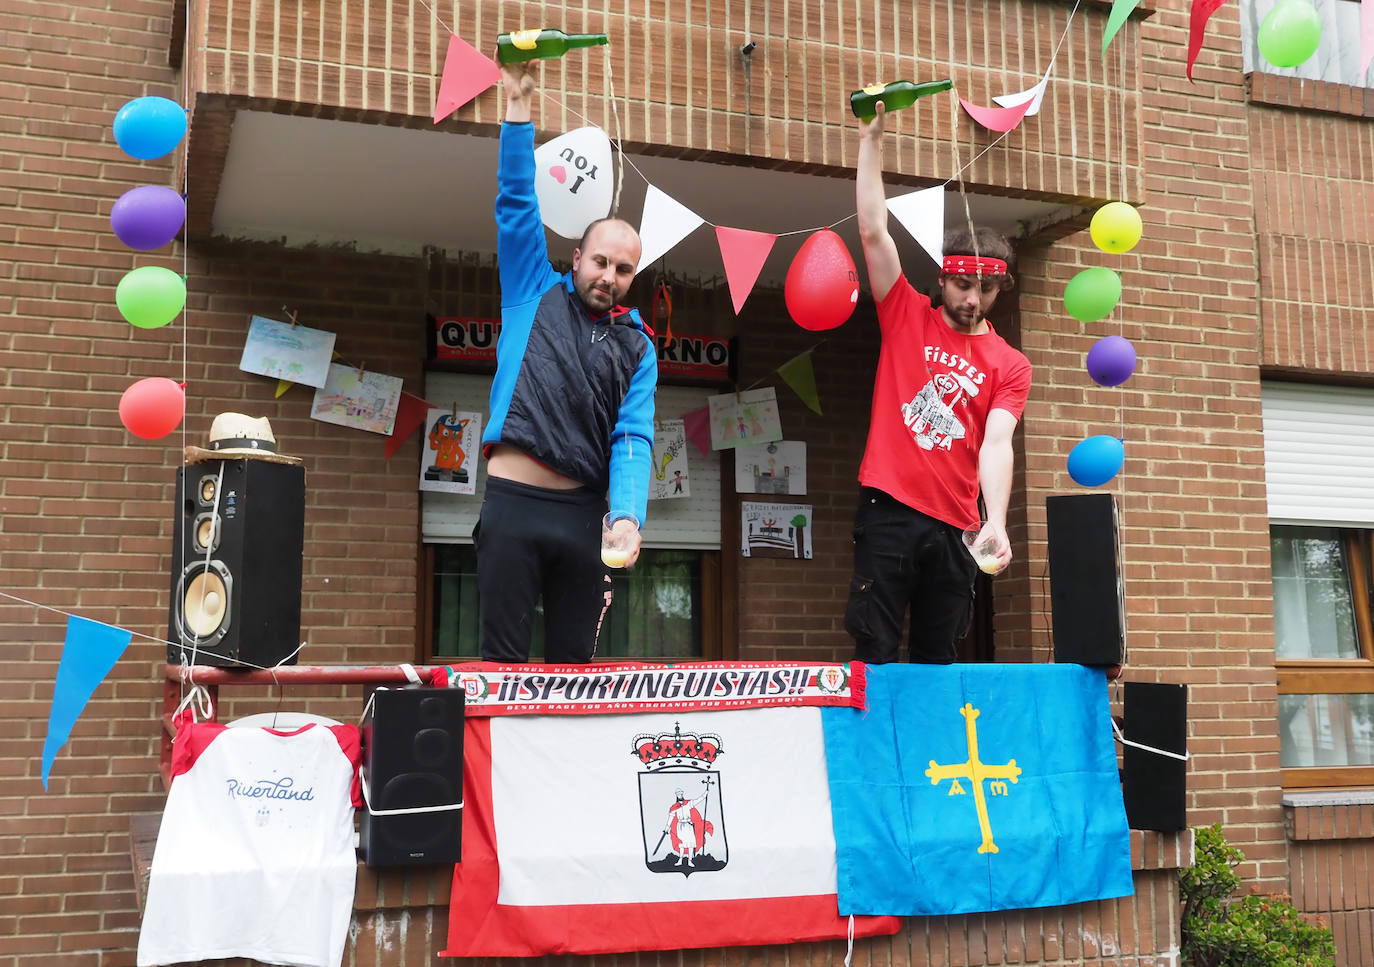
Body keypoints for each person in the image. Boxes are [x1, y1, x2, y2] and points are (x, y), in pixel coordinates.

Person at [475, 62, 657, 664]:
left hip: (584, 519)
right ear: (576, 257)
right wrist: (518, 108)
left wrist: (628, 516)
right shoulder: (532, 287)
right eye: (600, 262)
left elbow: (633, 437)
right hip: (511, 504)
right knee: (499, 668)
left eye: (624, 269)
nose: (609, 277)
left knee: (575, 674)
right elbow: (515, 204)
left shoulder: (639, 344)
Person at [844, 101, 1032, 665]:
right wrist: (871, 141)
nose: (972, 299)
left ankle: (930, 755)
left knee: (938, 657)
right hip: (889, 508)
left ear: (1001, 291)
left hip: (956, 525)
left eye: (986, 289)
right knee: (872, 650)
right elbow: (874, 232)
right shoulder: (904, 312)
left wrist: (995, 522)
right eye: (961, 284)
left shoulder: (1010, 363)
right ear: (942, 278)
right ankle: (873, 754)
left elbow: (997, 443)